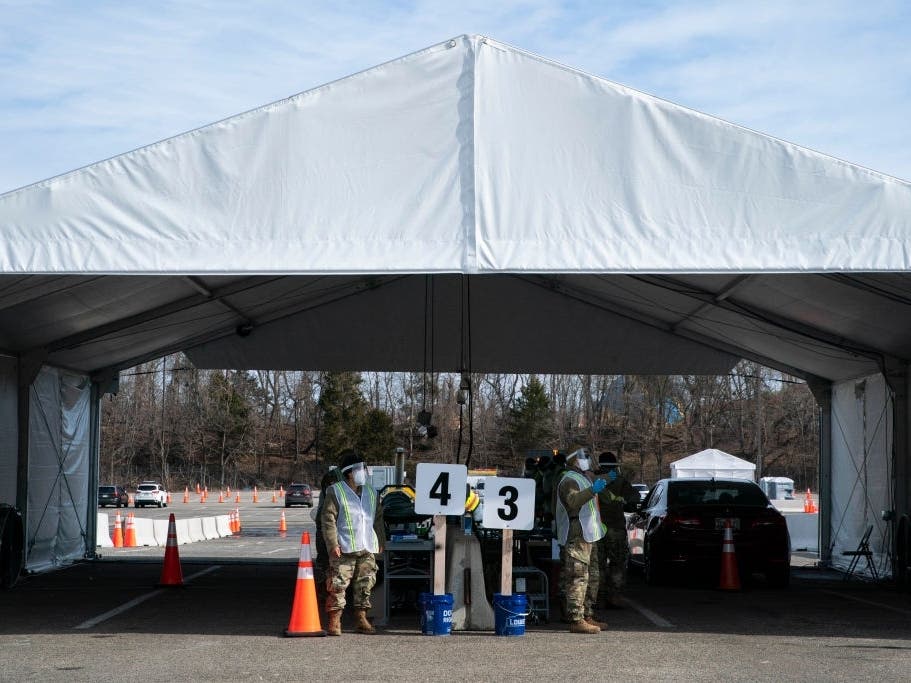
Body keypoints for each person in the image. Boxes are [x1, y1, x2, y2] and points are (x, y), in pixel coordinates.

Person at [321, 450, 385, 635]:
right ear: (350, 472)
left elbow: (378, 519)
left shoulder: (372, 492)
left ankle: (361, 618)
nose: (364, 472)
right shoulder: (336, 491)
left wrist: (381, 540)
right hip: (345, 546)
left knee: (365, 584)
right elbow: (328, 520)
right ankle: (335, 620)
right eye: (361, 469)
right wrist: (332, 544)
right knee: (338, 584)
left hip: (367, 546)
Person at [555, 447, 608, 634]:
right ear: (574, 462)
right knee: (577, 577)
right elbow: (573, 501)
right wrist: (593, 490)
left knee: (592, 576)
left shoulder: (583, 477)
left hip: (589, 533)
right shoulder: (569, 479)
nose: (586, 460)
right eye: (581, 458)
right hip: (576, 534)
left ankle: (587, 614)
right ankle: (575, 618)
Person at [594, 451, 640, 609]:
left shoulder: (591, 479)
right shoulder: (620, 481)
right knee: (617, 564)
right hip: (615, 528)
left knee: (597, 565)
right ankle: (614, 596)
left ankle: (596, 598)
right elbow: (634, 497)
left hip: (595, 529)